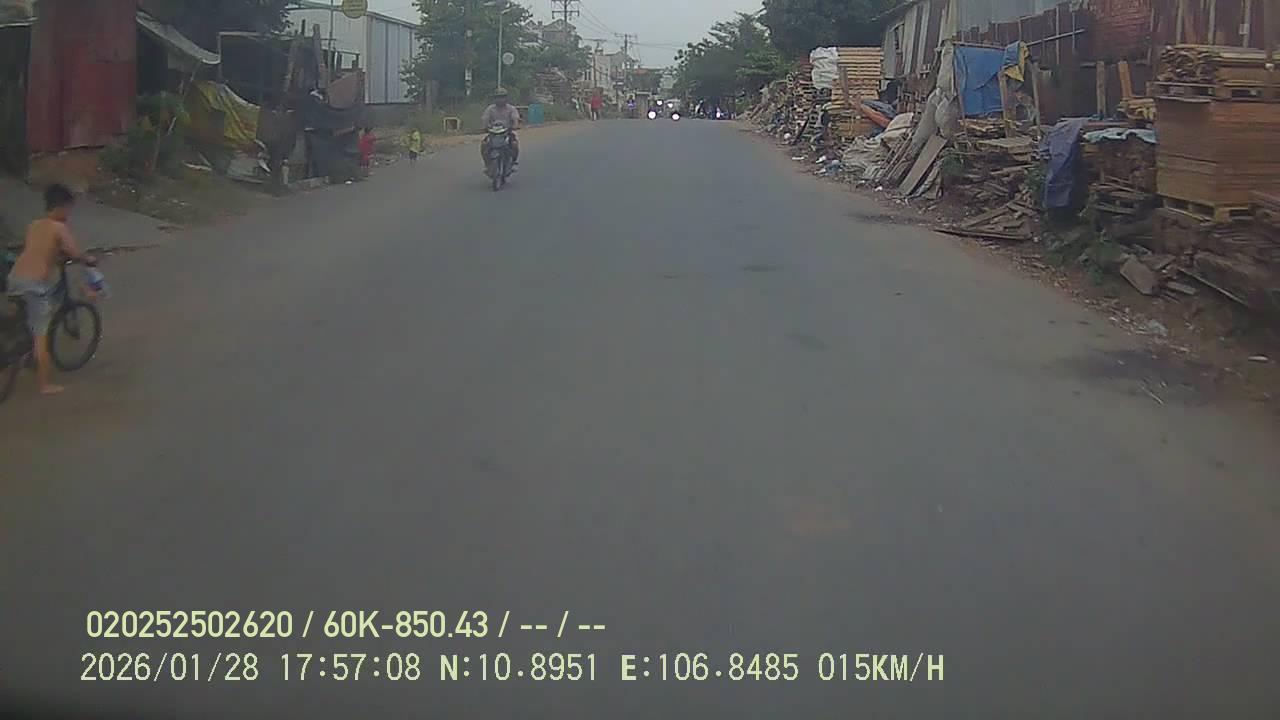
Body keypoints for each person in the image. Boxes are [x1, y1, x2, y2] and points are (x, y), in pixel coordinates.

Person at [5, 184, 96, 396]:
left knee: (27, 319)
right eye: (69, 209)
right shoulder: (59, 228)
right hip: (33, 285)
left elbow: (40, 251)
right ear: (61, 207)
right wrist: (88, 259)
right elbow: (74, 252)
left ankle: (23, 350)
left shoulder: (34, 225)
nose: (69, 214)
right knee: (41, 336)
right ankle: (45, 385)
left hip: (15, 279)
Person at [480, 88, 520, 169]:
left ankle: (513, 160)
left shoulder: (511, 108)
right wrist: (484, 126)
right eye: (498, 97)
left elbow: (515, 118)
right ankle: (487, 163)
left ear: (506, 98)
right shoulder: (490, 109)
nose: (500, 99)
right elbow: (485, 118)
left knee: (514, 144)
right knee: (484, 145)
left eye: (502, 97)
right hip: (493, 133)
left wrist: (515, 125)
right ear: (494, 99)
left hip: (507, 132)